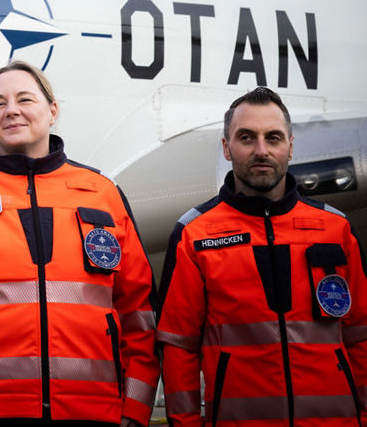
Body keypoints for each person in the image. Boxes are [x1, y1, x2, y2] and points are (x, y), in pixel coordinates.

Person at [0, 60, 159, 427]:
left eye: (25, 99)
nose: (11, 110)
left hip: (94, 413)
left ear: (53, 111)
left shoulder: (103, 195)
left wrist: (135, 411)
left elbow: (140, 314)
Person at [156, 86, 367, 427]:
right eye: (246, 138)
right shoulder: (194, 235)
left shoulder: (336, 230)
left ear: (291, 146)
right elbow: (179, 348)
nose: (261, 150)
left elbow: (361, 336)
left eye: (273, 137)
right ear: (226, 148)